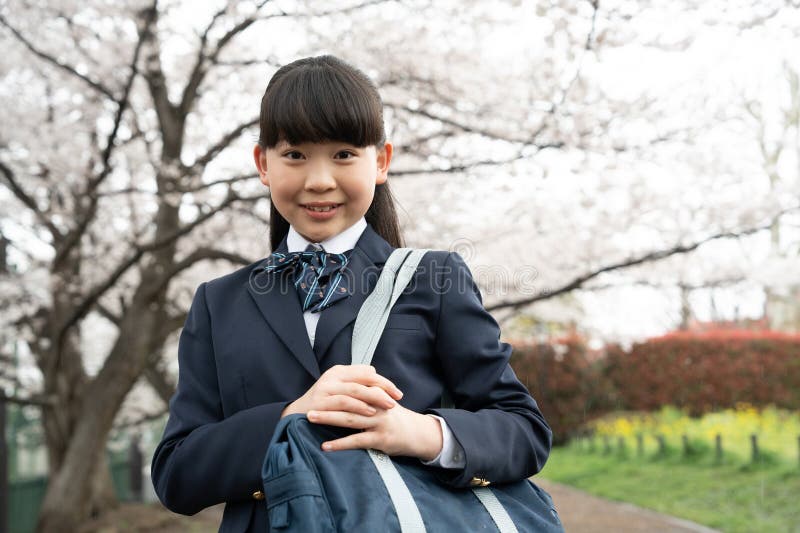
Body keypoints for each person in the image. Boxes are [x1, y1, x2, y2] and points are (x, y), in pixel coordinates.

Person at [151, 54, 553, 532]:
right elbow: (176, 473)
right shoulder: (219, 303)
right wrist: (289, 418)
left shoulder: (432, 279)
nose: (319, 180)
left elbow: (525, 430)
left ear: (380, 161)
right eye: (295, 155)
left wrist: (420, 433)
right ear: (263, 164)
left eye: (343, 154)